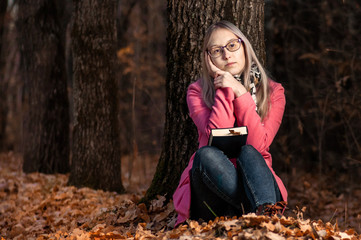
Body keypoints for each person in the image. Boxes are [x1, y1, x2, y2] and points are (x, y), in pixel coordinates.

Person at [172, 20, 288, 225]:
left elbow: (258, 145)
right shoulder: (197, 92)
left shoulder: (273, 92)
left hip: (259, 184)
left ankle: (262, 215)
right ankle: (262, 215)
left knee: (249, 152)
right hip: (212, 194)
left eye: (232, 45)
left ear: (245, 46)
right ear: (208, 58)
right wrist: (225, 87)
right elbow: (216, 134)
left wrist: (240, 92)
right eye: (217, 50)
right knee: (206, 154)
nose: (227, 55)